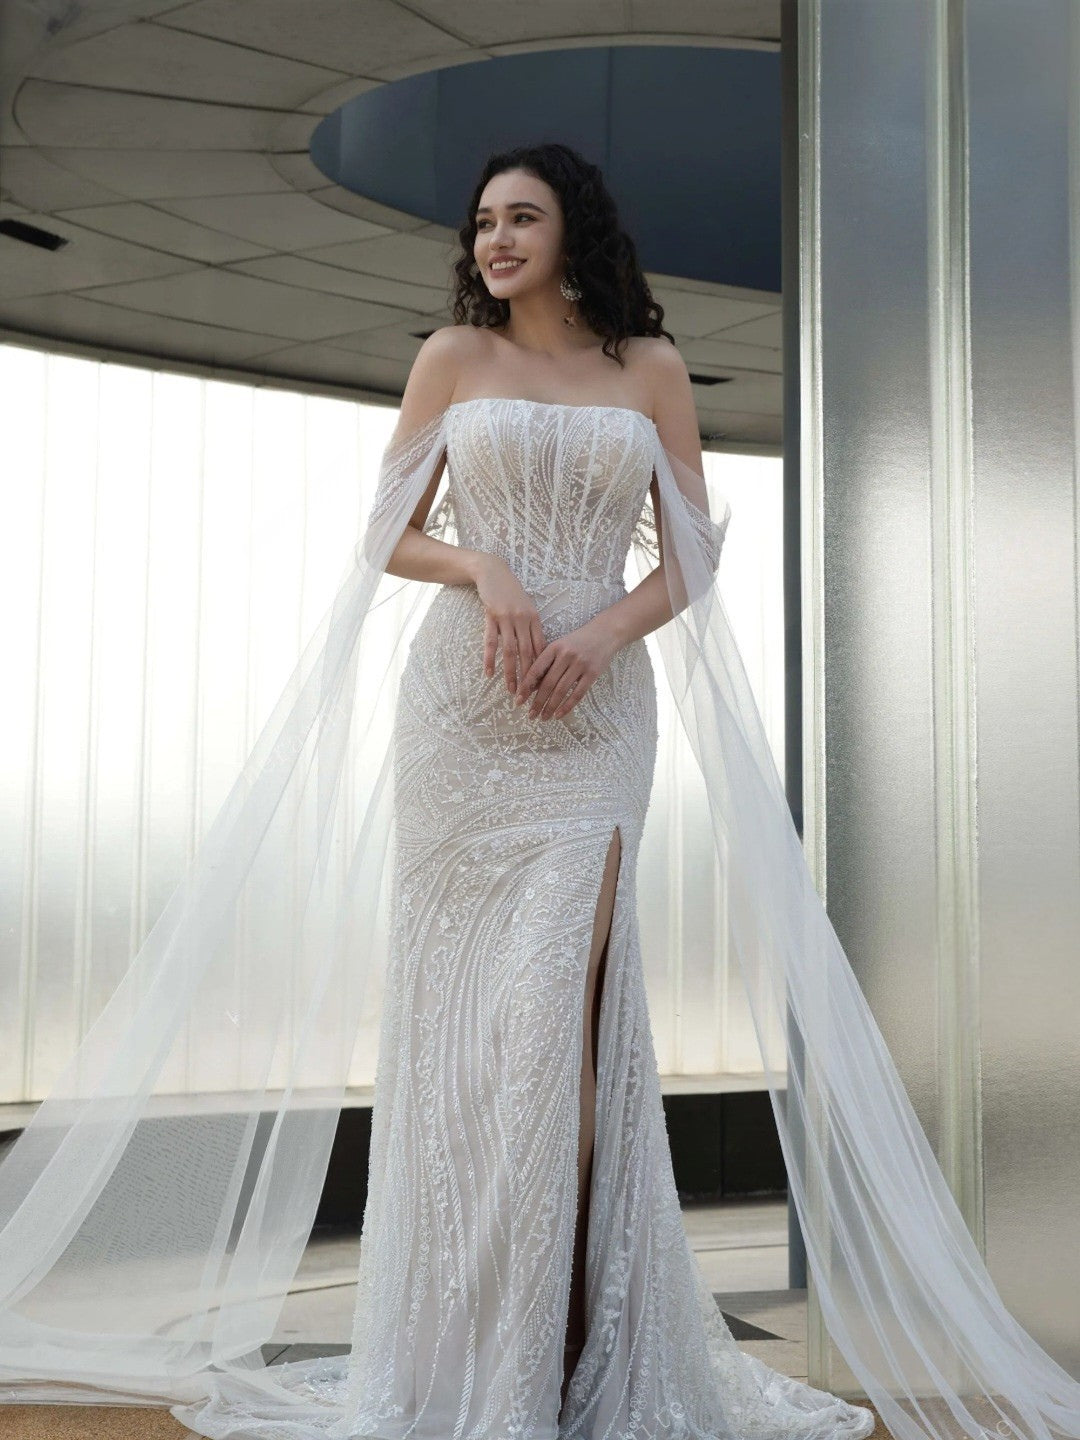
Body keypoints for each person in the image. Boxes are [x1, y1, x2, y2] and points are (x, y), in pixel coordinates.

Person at [1, 142, 1079, 1440]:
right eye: (483, 222)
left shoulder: (651, 369)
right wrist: (485, 570)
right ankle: (465, 1353)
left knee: (554, 1030)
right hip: (464, 718)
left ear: (577, 233)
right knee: (465, 1043)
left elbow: (691, 557)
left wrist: (604, 634)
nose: (497, 239)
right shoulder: (452, 359)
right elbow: (386, 533)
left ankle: (558, 1351)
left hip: (596, 726)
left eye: (524, 216)